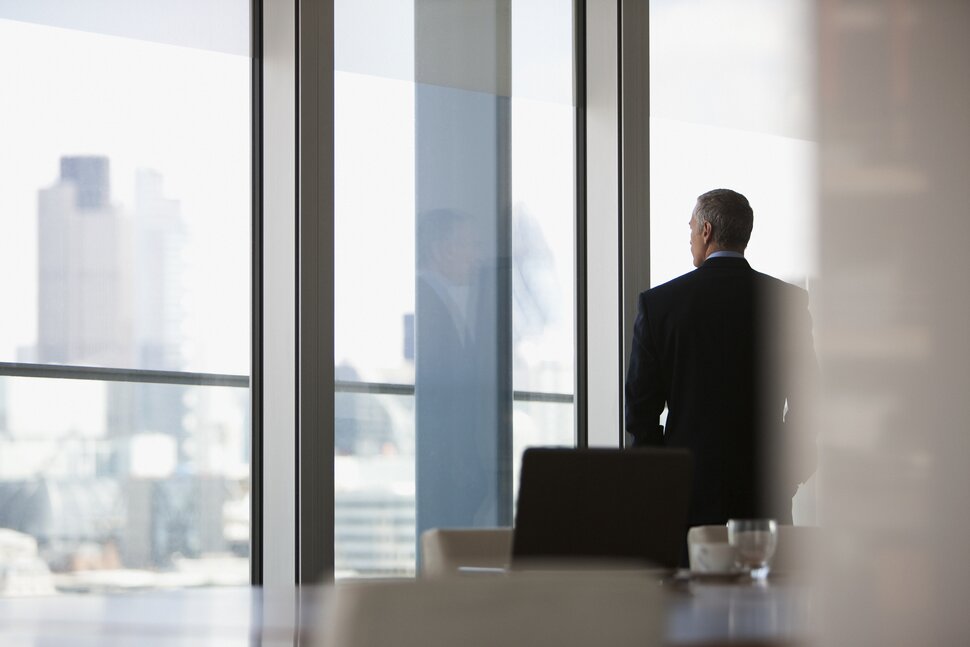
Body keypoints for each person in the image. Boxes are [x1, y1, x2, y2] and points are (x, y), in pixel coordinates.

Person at [625, 189, 817, 527]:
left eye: (690, 228)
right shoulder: (787, 303)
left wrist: (663, 477)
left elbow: (641, 411)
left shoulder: (660, 306)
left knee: (689, 578)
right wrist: (789, 474)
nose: (689, 239)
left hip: (688, 493)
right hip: (765, 489)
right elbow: (809, 400)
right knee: (765, 578)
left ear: (706, 231)